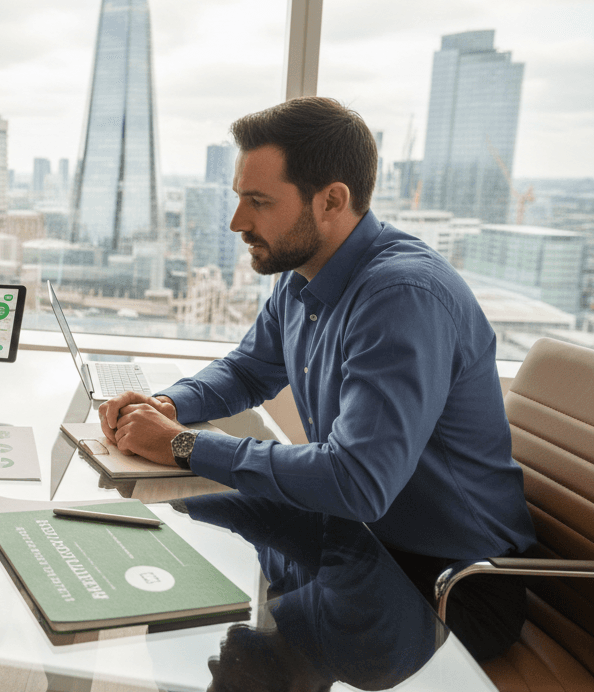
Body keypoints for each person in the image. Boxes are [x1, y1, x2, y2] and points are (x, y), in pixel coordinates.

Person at [98, 97, 536, 661]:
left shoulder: (401, 297)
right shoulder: (304, 274)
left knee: (198, 641)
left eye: (258, 202)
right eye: (238, 199)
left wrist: (182, 445)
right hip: (353, 540)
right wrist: (165, 407)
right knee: (160, 536)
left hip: (448, 585)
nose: (238, 222)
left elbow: (357, 481)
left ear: (332, 200)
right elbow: (248, 369)